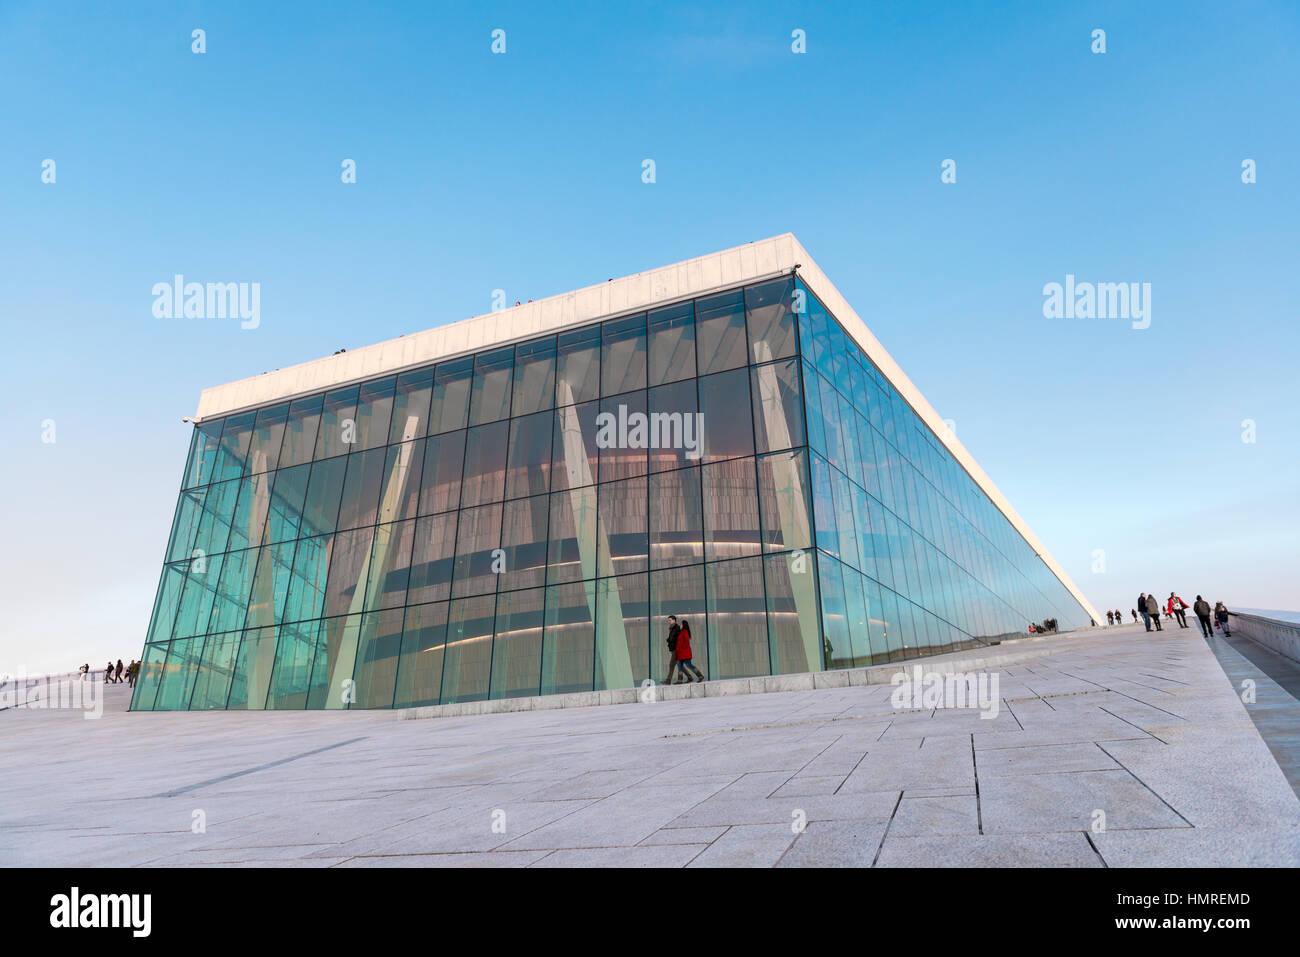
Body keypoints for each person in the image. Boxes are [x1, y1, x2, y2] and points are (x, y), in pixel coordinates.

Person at [673, 619, 704, 683]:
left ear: (684, 625)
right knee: (680, 666)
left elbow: (686, 642)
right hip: (681, 653)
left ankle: (700, 676)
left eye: (681, 624)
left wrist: (681, 650)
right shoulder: (682, 632)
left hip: (684, 654)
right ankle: (680, 680)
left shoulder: (684, 632)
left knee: (688, 665)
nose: (680, 625)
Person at [663, 615, 682, 685]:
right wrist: (668, 640)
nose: (669, 621)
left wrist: (671, 640)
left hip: (676, 649)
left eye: (670, 620)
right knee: (679, 665)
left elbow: (679, 638)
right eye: (668, 620)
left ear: (674, 620)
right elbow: (672, 637)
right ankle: (690, 677)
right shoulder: (672, 628)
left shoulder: (677, 628)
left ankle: (668, 680)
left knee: (671, 664)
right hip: (673, 649)